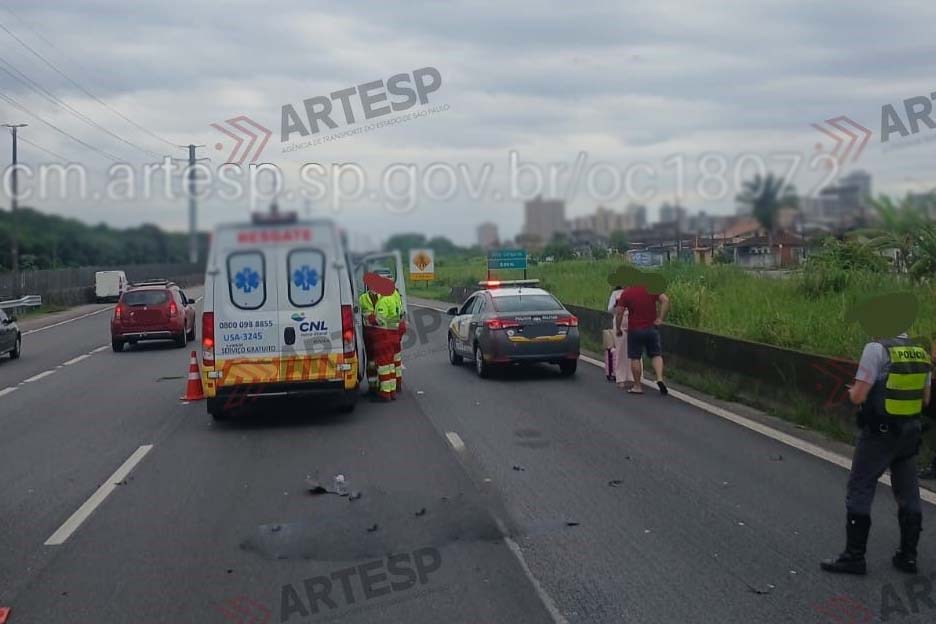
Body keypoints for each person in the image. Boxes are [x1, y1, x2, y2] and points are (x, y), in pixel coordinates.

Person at [821, 292, 932, 576]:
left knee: (860, 486)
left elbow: (858, 397)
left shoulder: (876, 349)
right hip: (910, 433)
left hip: (879, 434)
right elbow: (926, 400)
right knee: (908, 492)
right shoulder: (920, 352)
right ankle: (908, 557)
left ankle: (854, 557)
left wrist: (850, 391)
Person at [614, 273, 670, 396]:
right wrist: (660, 318)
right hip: (652, 328)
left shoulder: (626, 293)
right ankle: (660, 378)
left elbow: (619, 313)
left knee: (635, 357)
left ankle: (637, 386)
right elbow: (665, 300)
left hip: (635, 330)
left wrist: (618, 329)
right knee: (656, 354)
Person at [362, 273, 401, 402]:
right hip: (391, 334)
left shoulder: (384, 300)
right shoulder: (393, 296)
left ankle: (385, 393)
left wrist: (371, 318)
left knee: (384, 364)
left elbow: (380, 320)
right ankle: (391, 391)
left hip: (382, 335)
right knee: (389, 363)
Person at [607, 283, 636, 389]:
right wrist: (616, 306)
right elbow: (610, 309)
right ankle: (621, 378)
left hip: (634, 324)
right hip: (620, 324)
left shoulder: (635, 293)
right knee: (620, 351)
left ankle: (634, 378)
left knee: (635, 352)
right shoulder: (615, 293)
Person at [359, 282, 381, 395]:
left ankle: (381, 387)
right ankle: (374, 387)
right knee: (372, 361)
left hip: (380, 333)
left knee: (380, 361)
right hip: (369, 333)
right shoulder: (362, 298)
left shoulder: (383, 297)